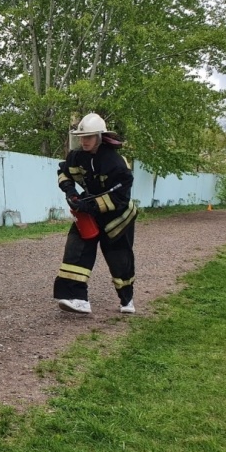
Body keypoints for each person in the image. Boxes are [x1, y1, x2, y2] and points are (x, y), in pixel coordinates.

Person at [53, 112, 138, 314]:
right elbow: (63, 173)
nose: (84, 141)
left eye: (89, 137)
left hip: (118, 218)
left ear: (99, 136)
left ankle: (127, 300)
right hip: (88, 212)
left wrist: (90, 206)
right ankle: (77, 298)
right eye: (82, 137)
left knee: (119, 260)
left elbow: (120, 198)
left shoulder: (116, 163)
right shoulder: (76, 157)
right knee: (76, 249)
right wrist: (71, 192)